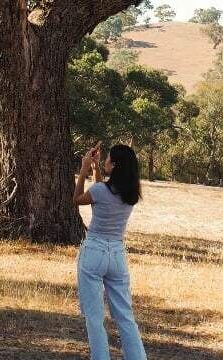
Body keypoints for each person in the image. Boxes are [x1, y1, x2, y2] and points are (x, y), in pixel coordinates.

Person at [72, 142, 146, 360]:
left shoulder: (100, 191)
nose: (104, 160)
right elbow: (102, 195)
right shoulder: (130, 195)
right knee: (125, 315)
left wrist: (84, 168)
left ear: (114, 165)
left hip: (94, 251)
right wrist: (96, 171)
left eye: (107, 159)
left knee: (95, 318)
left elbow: (78, 200)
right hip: (116, 254)